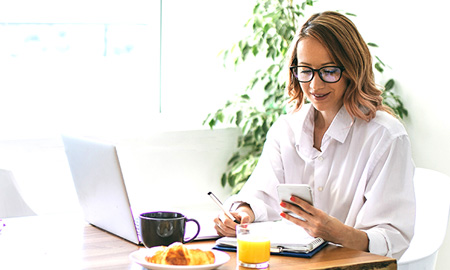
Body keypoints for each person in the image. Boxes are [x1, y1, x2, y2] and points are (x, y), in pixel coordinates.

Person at [213, 11, 415, 260]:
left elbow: (394, 238)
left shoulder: (386, 137)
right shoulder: (285, 129)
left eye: (329, 71)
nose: (315, 86)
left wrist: (336, 233)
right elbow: (261, 194)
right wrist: (242, 212)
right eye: (305, 70)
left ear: (353, 69)